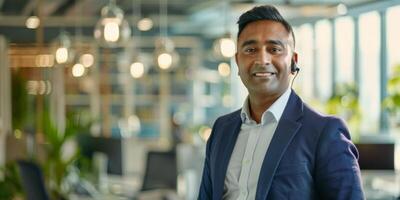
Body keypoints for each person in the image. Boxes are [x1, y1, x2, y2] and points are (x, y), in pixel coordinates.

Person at [198, 5, 364, 200]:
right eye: (251, 49)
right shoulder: (221, 129)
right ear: (237, 61)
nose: (262, 59)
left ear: (293, 61)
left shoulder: (324, 132)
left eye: (274, 49)